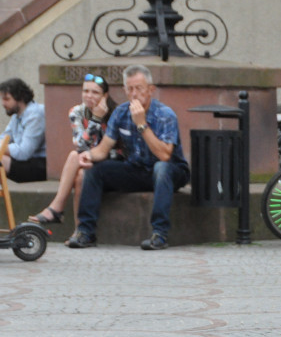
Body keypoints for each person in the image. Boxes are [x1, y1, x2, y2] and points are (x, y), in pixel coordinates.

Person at [65, 65, 190, 250]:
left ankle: (159, 234)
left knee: (161, 168)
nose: (134, 94)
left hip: (170, 171)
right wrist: (88, 155)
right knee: (96, 169)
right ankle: (86, 232)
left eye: (139, 88)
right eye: (130, 89)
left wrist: (141, 125)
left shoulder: (165, 114)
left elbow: (164, 155)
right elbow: (104, 148)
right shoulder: (121, 112)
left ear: (150, 90)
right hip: (136, 168)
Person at [29, 74, 118, 226]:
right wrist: (94, 120)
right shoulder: (76, 112)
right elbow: (80, 145)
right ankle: (79, 230)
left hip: (111, 163)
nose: (89, 96)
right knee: (80, 176)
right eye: (85, 91)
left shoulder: (115, 113)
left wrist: (97, 119)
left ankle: (56, 209)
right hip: (87, 160)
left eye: (95, 92)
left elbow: (117, 152)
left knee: (74, 159)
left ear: (105, 96)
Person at [0, 78, 46, 183]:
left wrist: (2, 148)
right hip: (26, 162)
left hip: (41, 165)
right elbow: (4, 137)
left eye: (7, 99)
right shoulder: (16, 116)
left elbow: (24, 152)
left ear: (20, 98)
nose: (3, 103)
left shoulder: (35, 115)